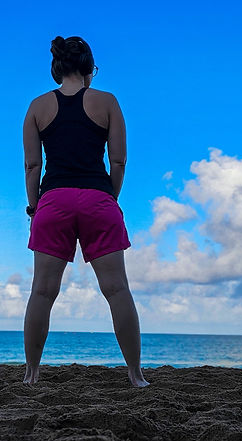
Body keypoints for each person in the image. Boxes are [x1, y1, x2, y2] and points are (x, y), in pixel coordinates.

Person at [21, 35, 149, 387]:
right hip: (98, 200)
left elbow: (33, 166)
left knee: (42, 292)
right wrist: (109, 196)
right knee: (117, 290)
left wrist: (35, 206)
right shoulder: (107, 101)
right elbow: (119, 160)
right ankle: (136, 376)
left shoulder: (36, 107)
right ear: (89, 68)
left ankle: (32, 374)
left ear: (57, 68)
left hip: (54, 201)